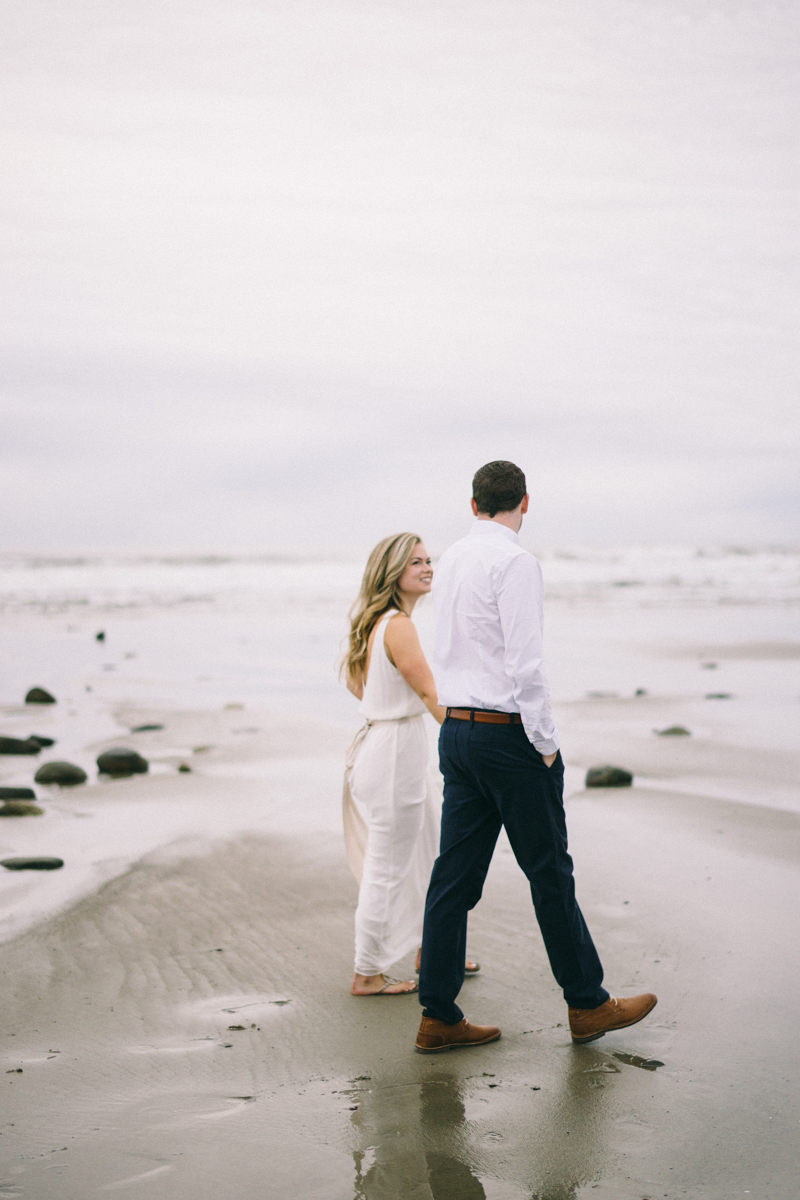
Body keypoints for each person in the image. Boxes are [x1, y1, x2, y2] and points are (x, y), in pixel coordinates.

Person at [415, 461, 657, 1052]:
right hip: (506, 736)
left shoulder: (449, 562)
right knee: (549, 872)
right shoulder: (515, 562)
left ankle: (438, 1015)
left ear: (473, 505)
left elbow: (443, 648)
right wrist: (545, 744)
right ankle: (587, 1005)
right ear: (525, 502)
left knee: (453, 877)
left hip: (458, 733)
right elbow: (525, 664)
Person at [342, 533, 480, 996]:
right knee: (387, 865)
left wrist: (387, 707)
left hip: (385, 746)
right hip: (394, 752)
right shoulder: (398, 625)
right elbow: (429, 693)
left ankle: (431, 949)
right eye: (415, 562)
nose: (427, 568)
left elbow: (357, 687)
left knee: (424, 853)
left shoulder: (376, 623)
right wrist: (468, 740)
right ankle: (367, 973)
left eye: (428, 560)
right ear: (393, 571)